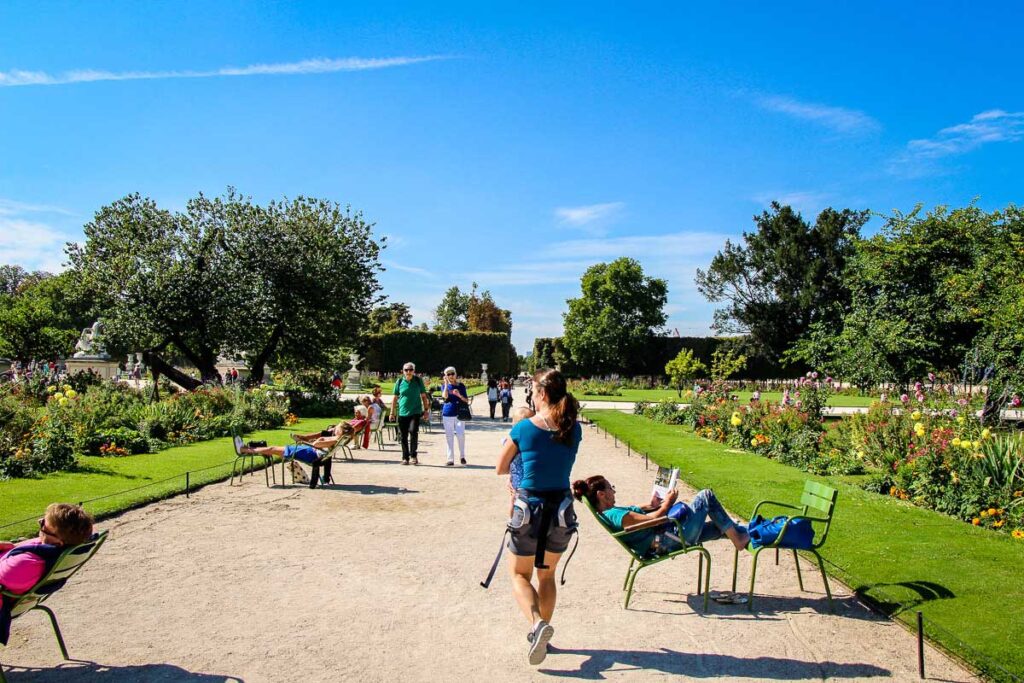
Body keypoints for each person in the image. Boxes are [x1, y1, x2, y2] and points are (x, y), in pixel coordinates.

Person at [496, 369, 581, 665]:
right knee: (547, 576)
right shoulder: (573, 428)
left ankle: (536, 624)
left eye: (532, 390)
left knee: (520, 575)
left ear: (542, 394)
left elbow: (501, 466)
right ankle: (542, 638)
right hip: (560, 509)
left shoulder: (524, 428)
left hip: (529, 508)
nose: (530, 395)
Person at [572, 475, 750, 557]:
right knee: (705, 496)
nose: (613, 491)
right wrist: (668, 502)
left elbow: (646, 509)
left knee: (720, 526)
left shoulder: (610, 512)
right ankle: (740, 540)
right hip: (667, 541)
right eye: (611, 488)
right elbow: (655, 518)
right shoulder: (616, 516)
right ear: (601, 495)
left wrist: (653, 502)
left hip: (665, 537)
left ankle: (757, 531)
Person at [0, 503, 94, 608]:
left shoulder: (26, 564)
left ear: (58, 542)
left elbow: (7, 576)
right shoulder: (52, 551)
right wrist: (11, 547)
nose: (39, 524)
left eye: (43, 525)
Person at [241, 434, 339, 489]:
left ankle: (244, 450)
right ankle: (253, 449)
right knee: (273, 450)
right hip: (308, 452)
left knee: (272, 448)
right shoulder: (338, 439)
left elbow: (316, 444)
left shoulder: (335, 439)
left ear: (341, 430)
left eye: (338, 428)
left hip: (307, 453)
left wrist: (321, 439)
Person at [390, 362, 430, 465]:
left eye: (410, 369)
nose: (408, 372)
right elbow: (394, 398)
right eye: (406, 370)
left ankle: (413, 455)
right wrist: (392, 413)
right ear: (403, 371)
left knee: (413, 432)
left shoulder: (418, 381)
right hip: (402, 413)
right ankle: (405, 457)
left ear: (413, 371)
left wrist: (426, 410)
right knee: (403, 436)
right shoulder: (399, 382)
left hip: (415, 412)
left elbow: (424, 396)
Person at [441, 366, 470, 466]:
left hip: (459, 413)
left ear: (455, 374)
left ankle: (462, 456)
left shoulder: (461, 386)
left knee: (460, 435)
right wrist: (445, 384)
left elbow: (466, 400)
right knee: (449, 436)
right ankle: (450, 459)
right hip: (447, 413)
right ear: (446, 376)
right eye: (448, 374)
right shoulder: (445, 386)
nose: (451, 376)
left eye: (452, 374)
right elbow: (444, 396)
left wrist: (459, 395)